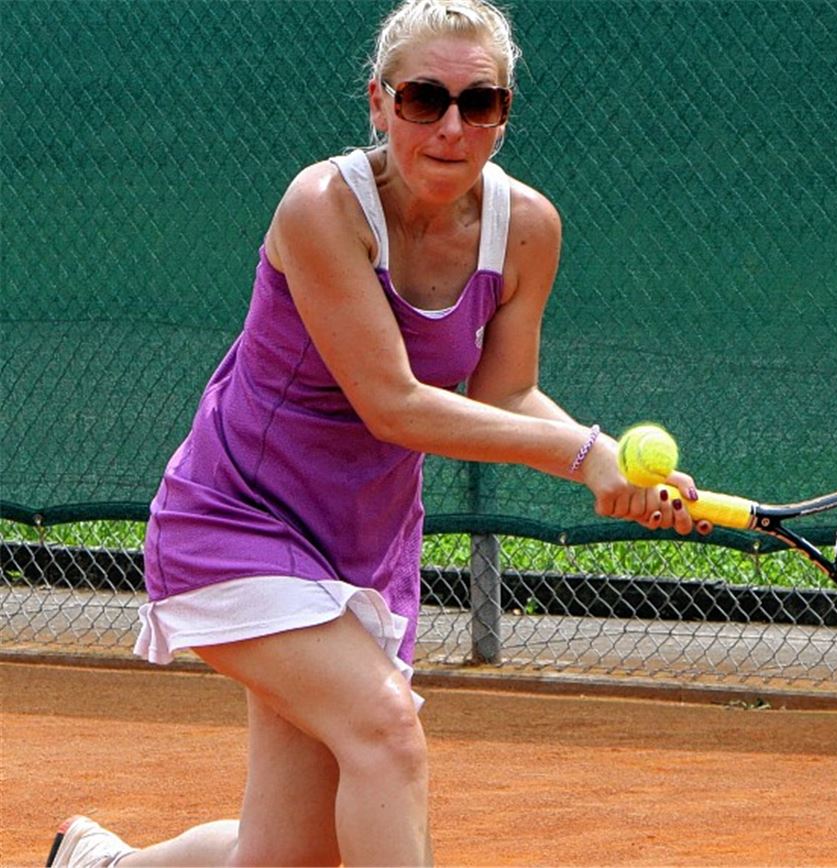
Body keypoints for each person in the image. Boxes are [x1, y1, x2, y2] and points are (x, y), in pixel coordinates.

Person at [47, 1, 706, 865]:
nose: (451, 126)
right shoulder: (323, 207)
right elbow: (391, 403)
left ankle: (103, 863)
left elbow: (508, 392)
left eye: (481, 103)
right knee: (386, 731)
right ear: (379, 102)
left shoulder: (528, 228)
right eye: (424, 98)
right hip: (238, 520)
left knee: (286, 856)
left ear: (505, 112)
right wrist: (585, 456)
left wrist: (609, 456)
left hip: (362, 540)